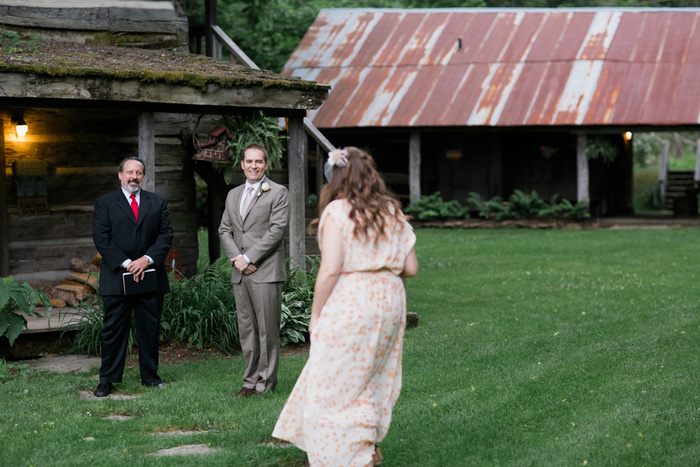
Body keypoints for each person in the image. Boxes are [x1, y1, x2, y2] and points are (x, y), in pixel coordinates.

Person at [272, 147, 419, 466]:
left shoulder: (338, 212)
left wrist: (315, 316)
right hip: (390, 299)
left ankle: (346, 456)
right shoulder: (391, 210)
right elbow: (411, 267)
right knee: (373, 375)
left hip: (354, 299)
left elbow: (331, 269)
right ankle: (367, 443)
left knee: (333, 383)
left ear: (335, 177)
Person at [92, 156, 173, 397]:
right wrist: (128, 263)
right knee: (114, 331)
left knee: (149, 329)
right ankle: (107, 379)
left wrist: (146, 260)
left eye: (138, 173)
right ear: (120, 175)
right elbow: (102, 239)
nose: (134, 177)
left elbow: (165, 235)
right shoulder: (105, 203)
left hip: (150, 276)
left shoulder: (157, 203)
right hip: (117, 277)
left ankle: (150, 377)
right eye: (129, 172)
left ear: (143, 177)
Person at [219, 143, 289, 396]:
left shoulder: (279, 192)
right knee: (247, 330)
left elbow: (276, 231)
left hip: (266, 272)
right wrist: (238, 259)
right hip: (240, 273)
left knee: (267, 331)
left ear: (266, 165)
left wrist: (248, 258)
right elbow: (224, 230)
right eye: (249, 161)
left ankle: (266, 384)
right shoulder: (233, 195)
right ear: (242, 164)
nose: (253, 166)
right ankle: (250, 382)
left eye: (258, 162)